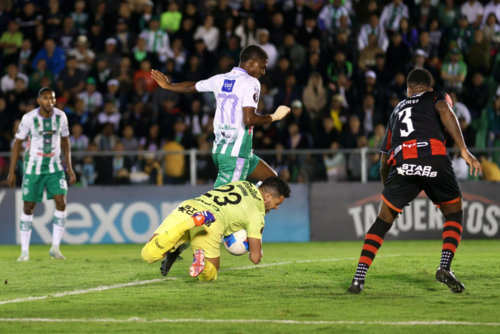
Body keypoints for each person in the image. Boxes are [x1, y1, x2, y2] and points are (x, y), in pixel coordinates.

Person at [348, 69, 482, 294]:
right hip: (433, 155)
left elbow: (384, 159)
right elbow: (445, 111)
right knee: (454, 213)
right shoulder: (437, 96)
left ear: (408, 89)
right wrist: (464, 150)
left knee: (383, 220)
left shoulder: (396, 111)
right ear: (429, 88)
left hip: (402, 163)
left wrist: (390, 188)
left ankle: (358, 279)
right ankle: (444, 266)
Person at [151, 45, 290, 188]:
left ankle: (249, 207)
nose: (263, 71)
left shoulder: (220, 79)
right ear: (251, 63)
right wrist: (275, 116)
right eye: (262, 67)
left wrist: (169, 86)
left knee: (272, 181)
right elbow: (249, 119)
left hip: (224, 151)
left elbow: (190, 87)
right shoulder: (251, 82)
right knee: (221, 204)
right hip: (235, 154)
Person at [141, 177, 290, 281]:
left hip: (189, 207)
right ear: (267, 196)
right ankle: (202, 262)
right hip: (211, 222)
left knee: (149, 254)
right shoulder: (257, 214)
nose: (276, 208)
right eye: (277, 203)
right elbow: (255, 258)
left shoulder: (243, 183)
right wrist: (255, 247)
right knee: (210, 275)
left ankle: (188, 225)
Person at [7, 87, 76, 261]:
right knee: (28, 207)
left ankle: (55, 248)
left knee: (61, 202)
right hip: (33, 168)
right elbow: (17, 143)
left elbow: (66, 140)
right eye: (45, 98)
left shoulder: (61, 117)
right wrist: (11, 171)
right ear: (39, 101)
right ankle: (24, 252)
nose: (49, 102)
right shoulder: (29, 118)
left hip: (54, 167)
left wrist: (70, 166)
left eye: (52, 98)